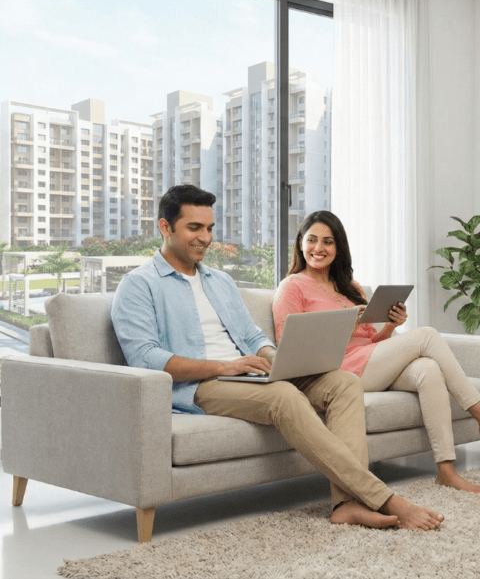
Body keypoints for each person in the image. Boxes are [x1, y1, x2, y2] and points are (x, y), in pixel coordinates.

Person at [111, 185, 443, 531]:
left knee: (343, 382)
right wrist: (227, 366)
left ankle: (346, 504)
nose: (205, 238)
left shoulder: (220, 281)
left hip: (251, 374)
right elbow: (144, 357)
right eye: (194, 228)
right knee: (284, 396)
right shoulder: (139, 284)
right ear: (165, 227)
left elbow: (253, 336)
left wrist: (275, 358)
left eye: (209, 228)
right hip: (201, 385)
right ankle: (384, 498)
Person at [273, 210, 480, 493]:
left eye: (328, 242)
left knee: (428, 369)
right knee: (427, 336)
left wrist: (389, 326)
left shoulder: (350, 287)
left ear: (338, 247)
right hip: (339, 373)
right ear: (300, 243)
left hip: (369, 362)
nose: (319, 248)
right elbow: (290, 346)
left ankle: (446, 469)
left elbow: (371, 341)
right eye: (312, 240)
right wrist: (343, 329)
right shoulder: (292, 286)